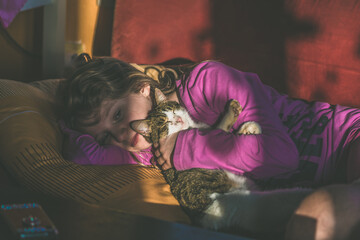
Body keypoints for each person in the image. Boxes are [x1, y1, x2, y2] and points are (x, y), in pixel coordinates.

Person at [59, 53, 360, 239]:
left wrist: (184, 146)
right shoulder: (146, 152)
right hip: (324, 185)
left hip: (346, 140)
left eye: (118, 115)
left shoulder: (208, 82)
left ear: (142, 86)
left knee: (320, 215)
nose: (120, 136)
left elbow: (281, 156)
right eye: (104, 136)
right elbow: (79, 155)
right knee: (315, 221)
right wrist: (68, 122)